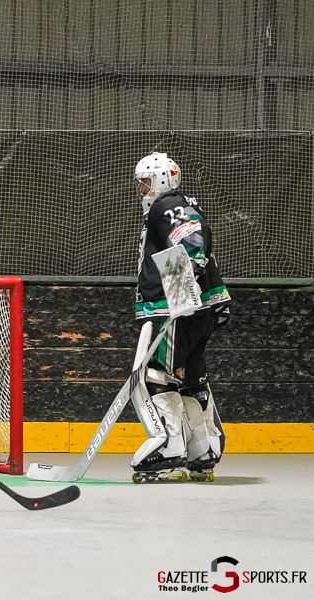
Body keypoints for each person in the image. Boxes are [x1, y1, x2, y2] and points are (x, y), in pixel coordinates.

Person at [131, 151, 231, 482]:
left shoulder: (166, 204)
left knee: (156, 376)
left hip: (176, 310)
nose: (142, 189)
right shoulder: (183, 202)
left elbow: (192, 237)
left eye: (146, 182)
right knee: (191, 378)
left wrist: (186, 279)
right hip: (197, 310)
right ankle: (205, 450)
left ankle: (168, 447)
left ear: (161, 180)